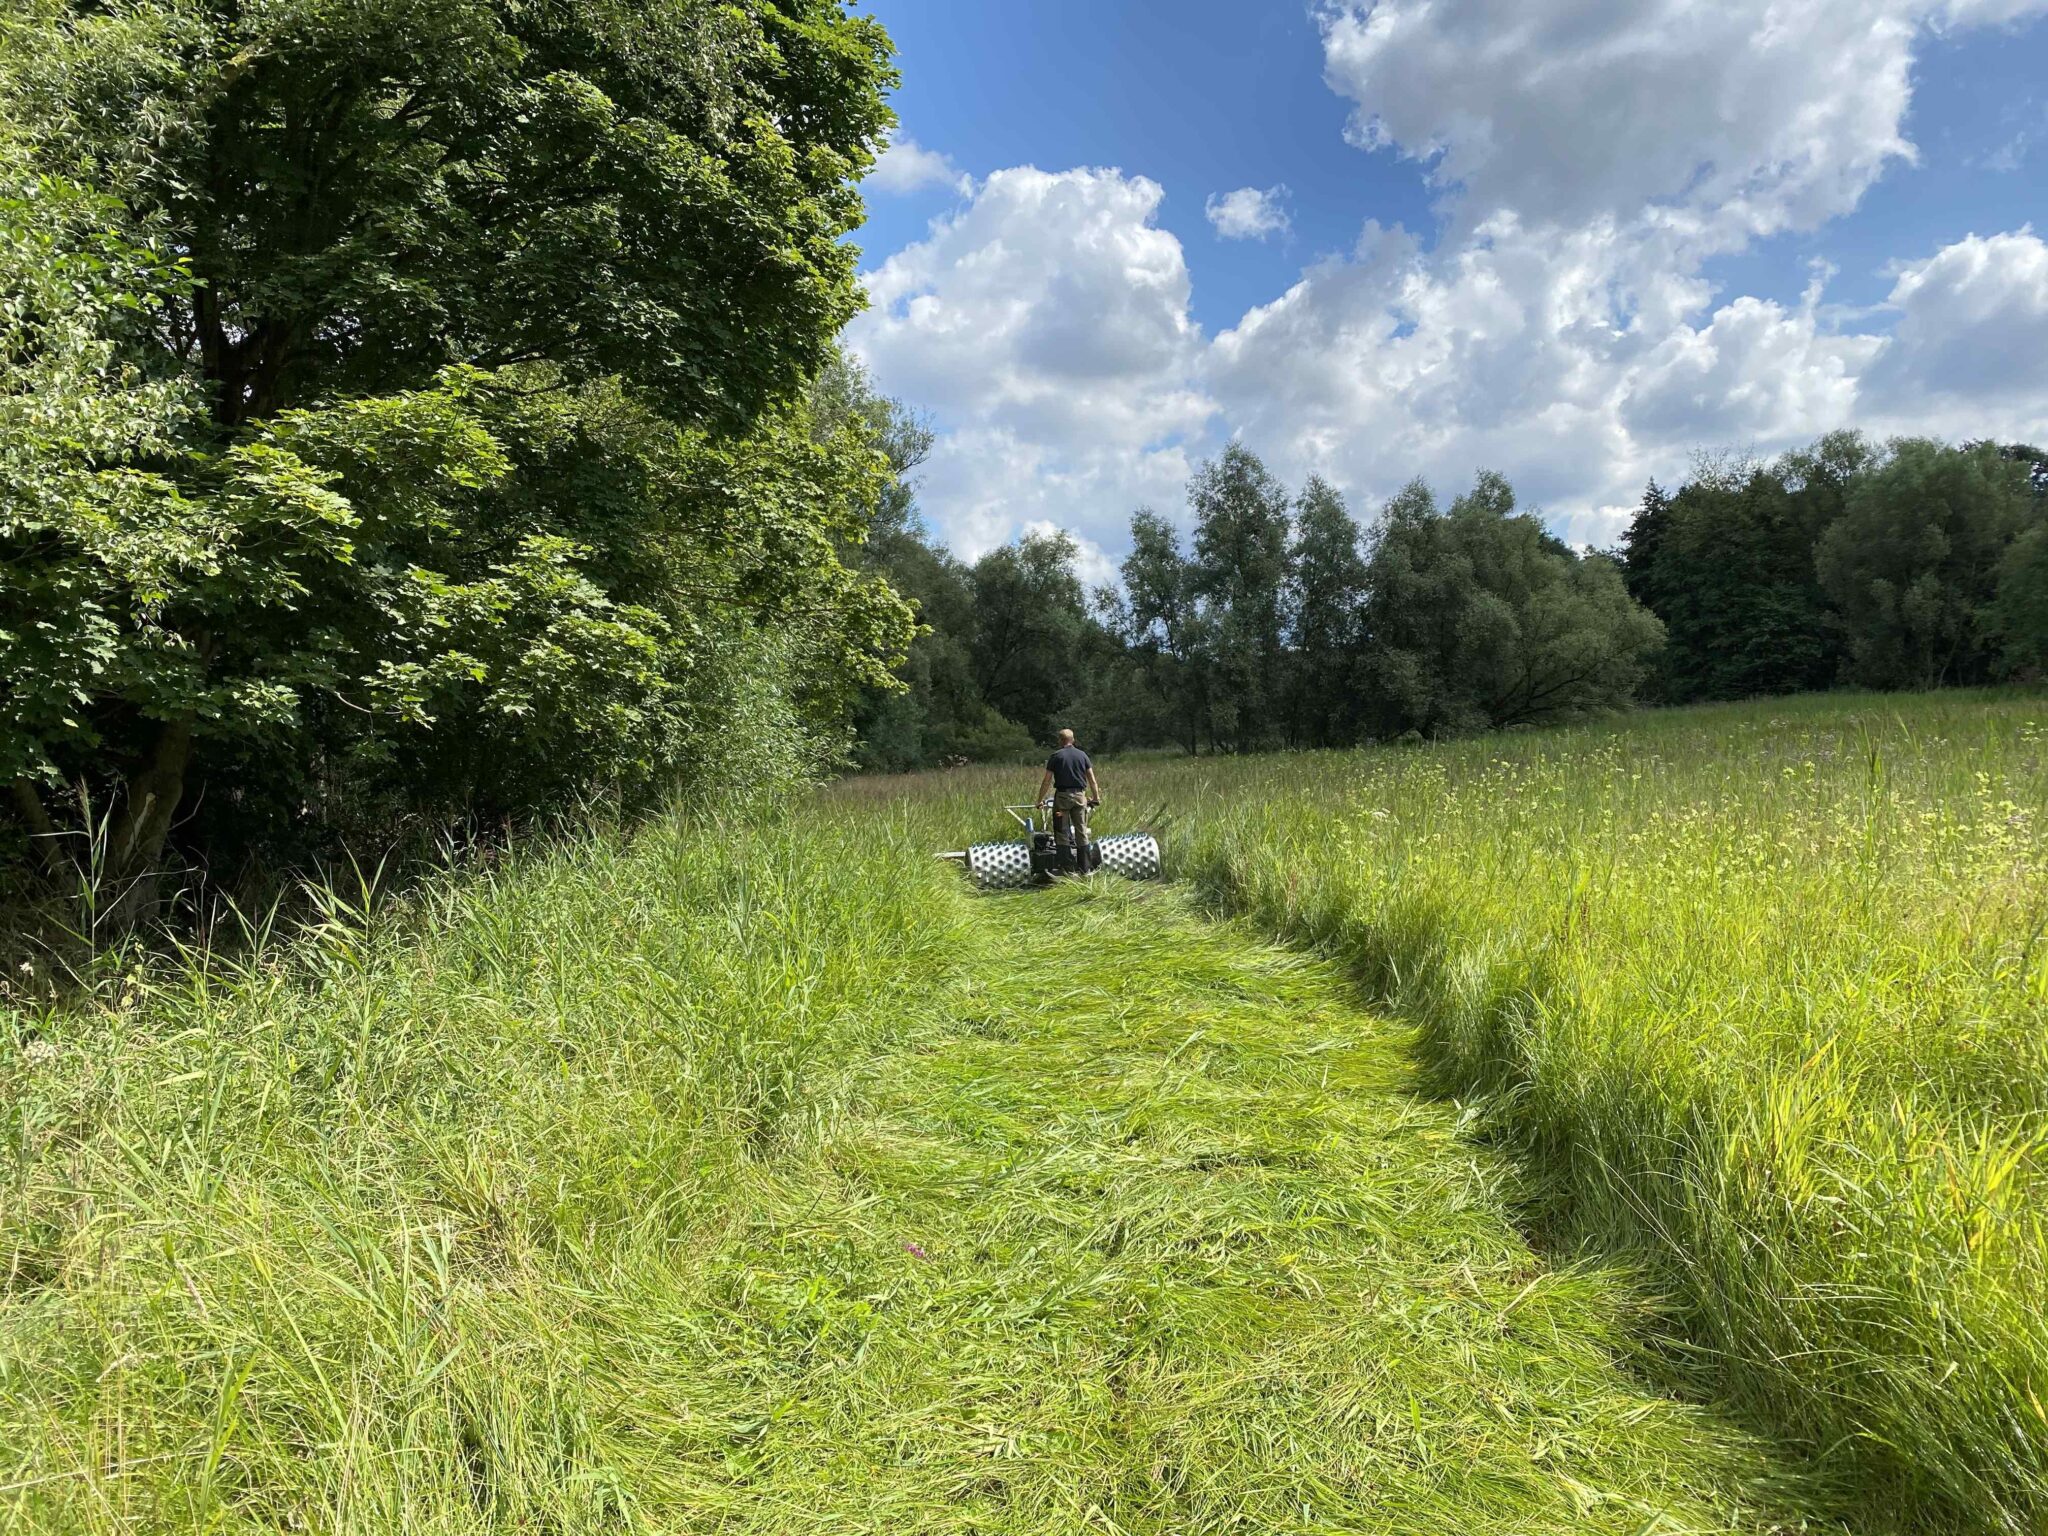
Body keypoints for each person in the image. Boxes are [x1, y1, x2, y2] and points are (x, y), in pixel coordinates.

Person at [1035, 728, 1102, 872]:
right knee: (1081, 831)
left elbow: (1046, 781)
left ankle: (1067, 868)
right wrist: (1096, 797)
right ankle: (1085, 868)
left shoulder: (1056, 756)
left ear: (1060, 741)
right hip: (1080, 797)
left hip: (1062, 799)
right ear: (1073, 740)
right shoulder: (1083, 755)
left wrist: (1039, 800)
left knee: (1061, 831)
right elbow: (1092, 779)